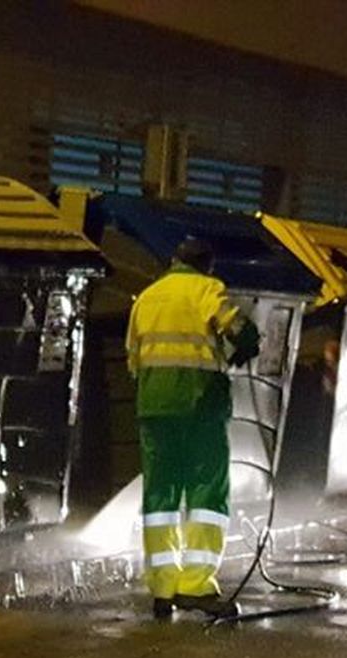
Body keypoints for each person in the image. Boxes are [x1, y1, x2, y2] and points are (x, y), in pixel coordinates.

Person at [127, 238, 259, 619]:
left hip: (153, 410)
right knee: (206, 494)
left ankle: (162, 589)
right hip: (200, 409)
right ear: (207, 267)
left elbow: (133, 359)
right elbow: (238, 329)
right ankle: (197, 586)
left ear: (174, 261)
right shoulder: (206, 289)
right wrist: (245, 346)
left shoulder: (146, 298)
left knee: (160, 498)